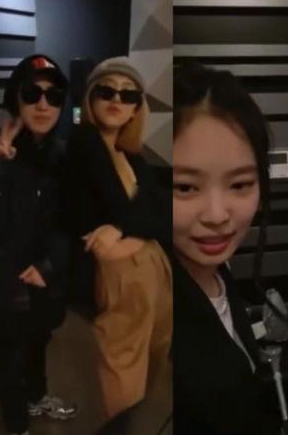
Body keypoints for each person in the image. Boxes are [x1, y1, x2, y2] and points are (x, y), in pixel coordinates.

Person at [0, 54, 76, 435]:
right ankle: (16, 424)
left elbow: (70, 223)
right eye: (32, 93)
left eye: (54, 96)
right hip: (4, 281)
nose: (43, 104)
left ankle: (37, 396)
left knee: (40, 341)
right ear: (15, 99)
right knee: (10, 355)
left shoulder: (62, 156)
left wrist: (49, 266)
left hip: (44, 278)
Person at [172, 62, 279, 434]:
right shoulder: (147, 303)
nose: (217, 216)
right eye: (185, 187)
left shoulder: (218, 274)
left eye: (240, 185)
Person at [66, 56, 172, 427]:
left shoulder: (130, 154)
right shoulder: (83, 145)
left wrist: (125, 228)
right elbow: (101, 213)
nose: (116, 100)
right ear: (90, 97)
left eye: (128, 95)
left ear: (136, 108)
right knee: (121, 372)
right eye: (106, 91)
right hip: (118, 274)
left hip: (151, 266)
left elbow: (161, 213)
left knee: (153, 351)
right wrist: (132, 224)